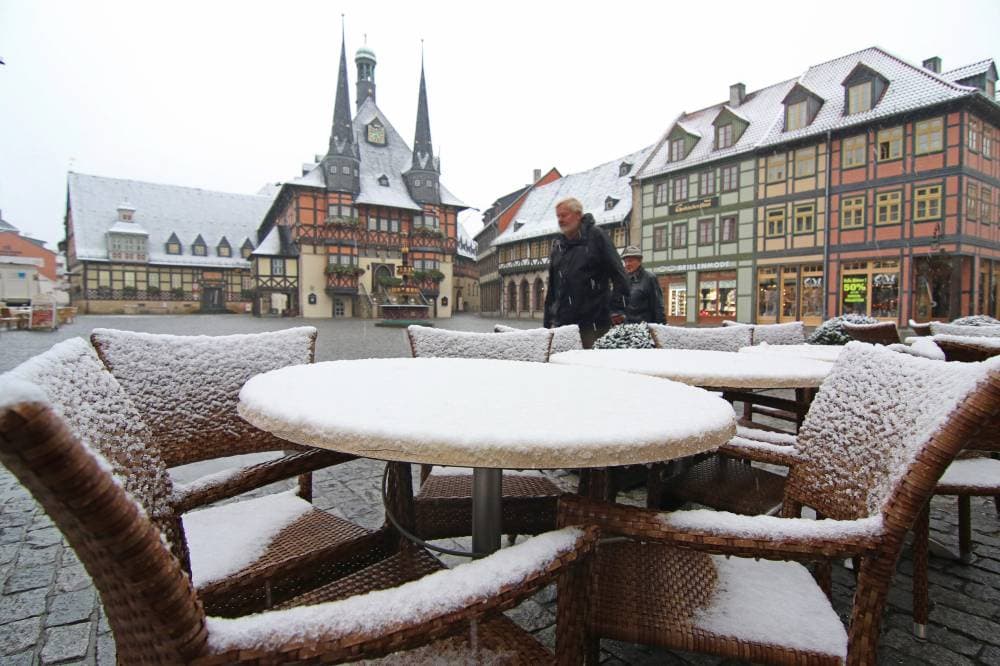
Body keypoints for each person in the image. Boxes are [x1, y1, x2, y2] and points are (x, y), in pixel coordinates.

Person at [543, 197, 630, 348]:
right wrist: (547, 322)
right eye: (558, 216)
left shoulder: (596, 237)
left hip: (593, 324)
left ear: (578, 215)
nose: (560, 220)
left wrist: (616, 310)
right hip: (563, 325)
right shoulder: (559, 246)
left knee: (591, 368)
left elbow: (619, 275)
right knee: (562, 368)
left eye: (564, 215)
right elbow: (552, 289)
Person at [621, 245, 666, 325]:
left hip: (643, 329)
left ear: (639, 261)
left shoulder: (649, 278)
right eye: (625, 261)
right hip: (626, 328)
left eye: (630, 261)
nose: (627, 264)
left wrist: (662, 328)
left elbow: (658, 306)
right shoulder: (624, 279)